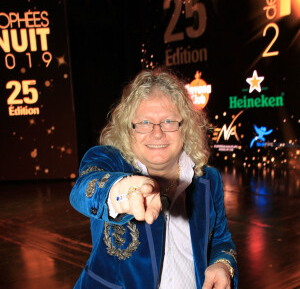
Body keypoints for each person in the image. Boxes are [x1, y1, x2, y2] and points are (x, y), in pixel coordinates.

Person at [70, 69, 238, 289]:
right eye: (144, 123)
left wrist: (223, 264)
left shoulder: (209, 180)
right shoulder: (108, 160)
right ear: (128, 129)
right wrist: (122, 193)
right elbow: (83, 189)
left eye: (168, 121)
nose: (157, 133)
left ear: (185, 127)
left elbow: (221, 241)